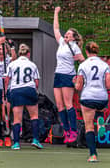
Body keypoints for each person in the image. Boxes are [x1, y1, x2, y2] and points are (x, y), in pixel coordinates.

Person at [53, 6, 85, 144]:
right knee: (59, 105)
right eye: (65, 33)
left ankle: (73, 130)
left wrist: (78, 76)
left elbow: (83, 61)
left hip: (68, 75)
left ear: (73, 37)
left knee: (68, 104)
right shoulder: (61, 43)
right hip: (58, 75)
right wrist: (56, 13)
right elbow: (55, 29)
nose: (65, 35)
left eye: (68, 34)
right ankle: (66, 130)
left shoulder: (74, 47)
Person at [75, 42, 110, 162]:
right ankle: (100, 123)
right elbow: (108, 84)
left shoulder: (83, 65)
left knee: (89, 126)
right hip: (102, 97)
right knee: (99, 110)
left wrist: (74, 82)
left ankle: (93, 155)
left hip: (88, 96)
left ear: (86, 51)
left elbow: (79, 86)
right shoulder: (104, 65)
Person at [5, 43, 43, 150]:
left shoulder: (12, 64)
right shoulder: (32, 65)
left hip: (16, 90)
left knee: (17, 119)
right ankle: (36, 139)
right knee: (34, 116)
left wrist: (6, 91)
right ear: (28, 54)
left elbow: (7, 79)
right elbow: (36, 81)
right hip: (29, 89)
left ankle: (16, 143)